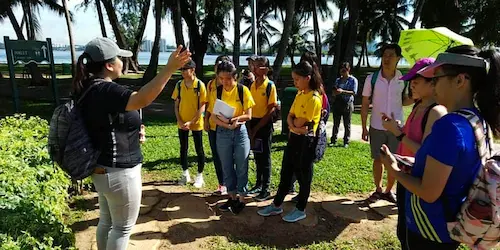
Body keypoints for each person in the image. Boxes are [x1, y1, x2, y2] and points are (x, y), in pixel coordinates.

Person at [74, 37, 190, 250]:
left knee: (107, 222)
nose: (122, 61)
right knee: (122, 228)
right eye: (119, 58)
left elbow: (106, 123)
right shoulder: (106, 90)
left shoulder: (88, 87)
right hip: (119, 171)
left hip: (101, 169)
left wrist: (132, 130)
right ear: (109, 65)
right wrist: (169, 69)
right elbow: (142, 99)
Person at [380, 45, 500, 249]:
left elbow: (428, 192)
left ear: (460, 80)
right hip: (449, 224)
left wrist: (394, 170)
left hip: (429, 227)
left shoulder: (449, 126)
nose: (432, 85)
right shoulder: (477, 121)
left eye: (436, 78)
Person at [381, 58, 447, 249]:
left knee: (412, 232)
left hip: (417, 179)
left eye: (417, 81)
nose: (412, 85)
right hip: (405, 175)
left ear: (433, 82)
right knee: (403, 228)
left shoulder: (436, 112)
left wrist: (398, 133)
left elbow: (425, 152)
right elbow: (412, 135)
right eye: (411, 81)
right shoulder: (418, 106)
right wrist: (397, 127)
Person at [257, 61, 323, 223]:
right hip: (295, 138)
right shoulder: (300, 94)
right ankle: (277, 204)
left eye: (297, 79)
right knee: (286, 172)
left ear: (307, 78)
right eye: (293, 79)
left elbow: (300, 122)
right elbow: (289, 116)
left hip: (306, 142)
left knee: (303, 175)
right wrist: (294, 126)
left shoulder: (314, 98)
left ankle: (301, 209)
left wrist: (294, 125)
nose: (295, 83)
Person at [361, 43, 415, 203]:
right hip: (376, 126)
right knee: (378, 159)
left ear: (398, 58)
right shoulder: (372, 78)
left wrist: (413, 98)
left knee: (394, 159)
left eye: (391, 55)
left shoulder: (404, 79)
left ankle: (388, 191)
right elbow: (365, 103)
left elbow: (404, 100)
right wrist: (364, 127)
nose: (387, 58)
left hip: (396, 128)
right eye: (385, 55)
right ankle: (377, 189)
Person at [209, 60, 255, 214]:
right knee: (226, 166)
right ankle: (232, 196)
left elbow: (248, 115)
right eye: (221, 78)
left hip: (240, 131)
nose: (225, 82)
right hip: (223, 132)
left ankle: (242, 198)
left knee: (242, 164)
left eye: (228, 78)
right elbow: (213, 116)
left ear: (235, 77)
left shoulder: (243, 91)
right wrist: (227, 125)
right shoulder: (216, 92)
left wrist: (236, 120)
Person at [247, 56, 278, 201]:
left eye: (259, 65)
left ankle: (266, 188)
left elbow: (271, 109)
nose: (255, 67)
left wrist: (257, 127)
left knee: (265, 157)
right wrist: (250, 127)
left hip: (264, 125)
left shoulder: (270, 85)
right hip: (253, 122)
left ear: (266, 68)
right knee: (257, 155)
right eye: (254, 65)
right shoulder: (252, 85)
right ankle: (258, 184)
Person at [172, 59, 207, 187]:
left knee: (199, 149)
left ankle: (199, 176)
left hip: (196, 123)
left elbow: (202, 106)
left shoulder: (199, 85)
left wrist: (192, 122)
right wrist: (180, 120)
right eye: (181, 69)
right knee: (183, 148)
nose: (182, 72)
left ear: (192, 70)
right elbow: (176, 105)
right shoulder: (179, 85)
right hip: (182, 122)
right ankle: (185, 173)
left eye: (185, 69)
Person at [205, 55, 231, 195]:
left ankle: (230, 184)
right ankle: (221, 184)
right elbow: (209, 104)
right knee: (216, 155)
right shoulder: (210, 85)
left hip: (226, 125)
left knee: (227, 155)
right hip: (213, 125)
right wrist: (206, 120)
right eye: (218, 64)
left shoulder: (231, 85)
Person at [331, 62, 358, 147]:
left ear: (348, 70)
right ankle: (333, 140)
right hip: (338, 103)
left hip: (347, 103)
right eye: (341, 71)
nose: (342, 73)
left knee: (347, 124)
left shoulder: (353, 80)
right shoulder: (338, 80)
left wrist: (342, 91)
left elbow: (354, 92)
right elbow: (334, 91)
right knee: (336, 123)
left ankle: (346, 141)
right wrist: (335, 93)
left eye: (344, 70)